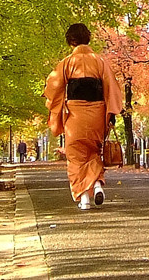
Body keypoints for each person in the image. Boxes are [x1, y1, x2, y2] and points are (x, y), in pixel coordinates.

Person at [43, 22, 122, 210]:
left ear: (70, 41)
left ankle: (84, 199)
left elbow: (53, 89)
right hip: (97, 113)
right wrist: (110, 114)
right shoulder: (100, 61)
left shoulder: (67, 63)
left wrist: (55, 107)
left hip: (75, 114)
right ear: (88, 38)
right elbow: (111, 89)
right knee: (94, 151)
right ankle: (97, 185)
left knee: (76, 156)